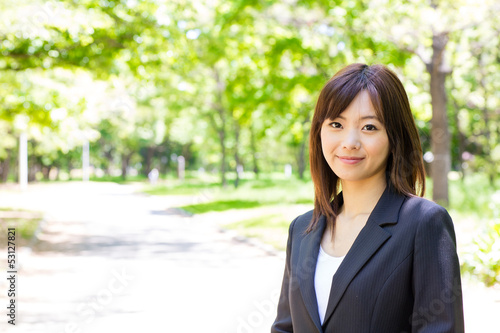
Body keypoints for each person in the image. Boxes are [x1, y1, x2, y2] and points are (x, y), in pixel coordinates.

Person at [271, 63, 464, 332]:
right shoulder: (302, 229)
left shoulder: (423, 223)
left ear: (394, 137)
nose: (350, 141)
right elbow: (285, 327)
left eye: (369, 127)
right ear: (319, 132)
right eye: (336, 124)